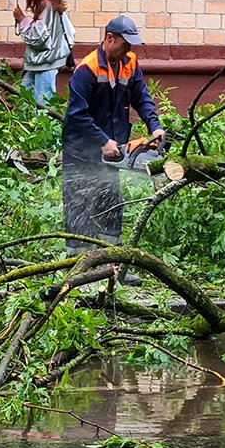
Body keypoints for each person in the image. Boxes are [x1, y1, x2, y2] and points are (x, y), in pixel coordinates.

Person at [62, 15, 166, 282]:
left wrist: (154, 126)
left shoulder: (129, 63)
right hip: (82, 149)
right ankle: (79, 271)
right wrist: (102, 141)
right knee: (80, 206)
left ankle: (114, 269)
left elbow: (141, 97)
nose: (129, 50)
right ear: (109, 38)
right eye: (124, 44)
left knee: (111, 204)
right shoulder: (86, 70)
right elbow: (76, 115)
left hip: (113, 148)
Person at [14, 0, 75, 107]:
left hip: (44, 62)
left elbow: (38, 38)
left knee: (42, 106)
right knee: (26, 101)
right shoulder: (51, 4)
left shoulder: (46, 4)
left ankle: (39, 127)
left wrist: (22, 19)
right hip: (42, 62)